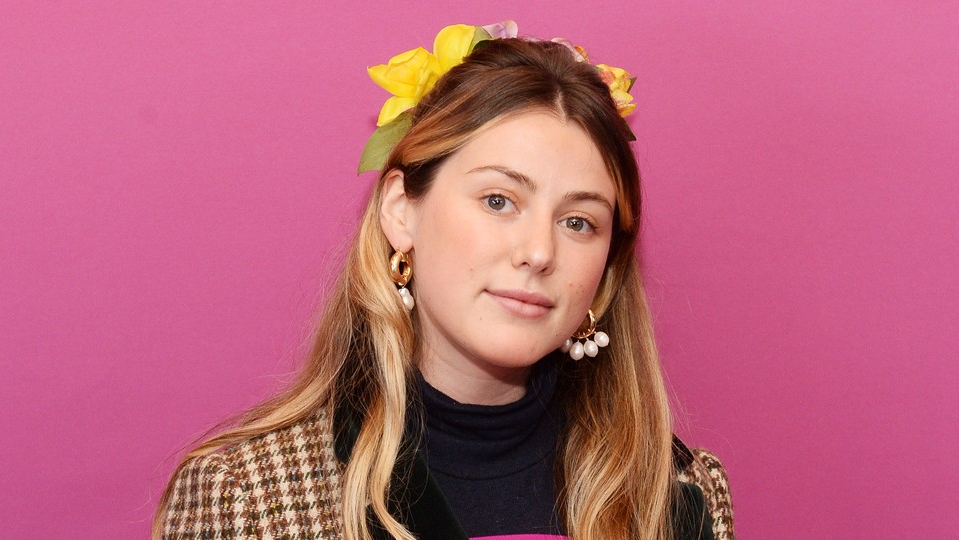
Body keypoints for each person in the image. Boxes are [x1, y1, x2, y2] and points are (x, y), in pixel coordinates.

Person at [154, 21, 734, 540]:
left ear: (607, 265)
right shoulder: (251, 499)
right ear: (402, 211)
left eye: (578, 221)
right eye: (499, 200)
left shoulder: (683, 498)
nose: (538, 252)